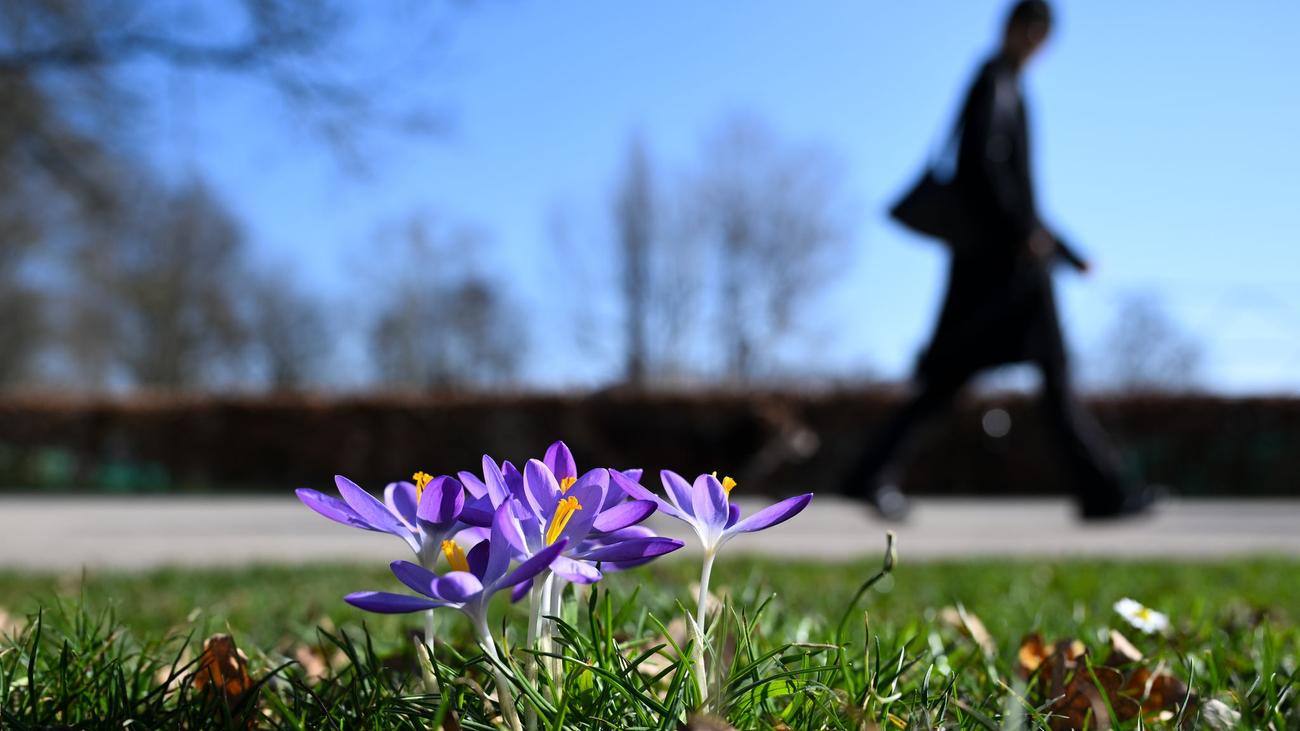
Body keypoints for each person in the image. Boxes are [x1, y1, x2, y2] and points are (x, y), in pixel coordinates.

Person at [846, 0, 1159, 521]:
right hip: (1000, 272)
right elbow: (986, 173)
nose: (1037, 48)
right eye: (1035, 35)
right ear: (1019, 30)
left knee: (996, 379)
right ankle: (1103, 492)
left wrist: (1065, 250)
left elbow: (1014, 189)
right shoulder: (993, 81)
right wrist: (1030, 238)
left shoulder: (1008, 84)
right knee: (987, 378)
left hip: (1001, 266)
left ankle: (1103, 491)